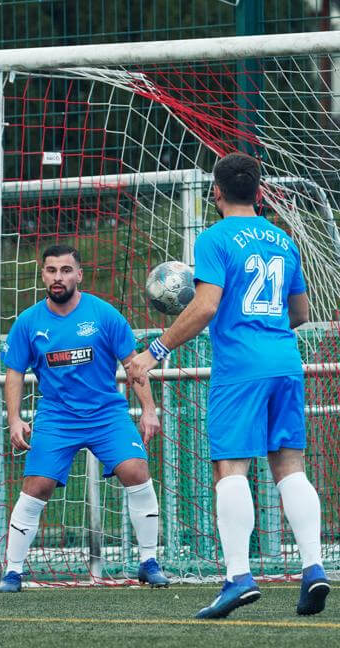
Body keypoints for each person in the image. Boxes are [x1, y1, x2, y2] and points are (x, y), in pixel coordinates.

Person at [126, 152, 329, 619]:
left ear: (215, 192)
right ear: (258, 192)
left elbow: (205, 306)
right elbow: (300, 312)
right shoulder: (282, 238)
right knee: (290, 467)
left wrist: (154, 351)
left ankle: (238, 577)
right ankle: (313, 567)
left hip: (240, 367)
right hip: (285, 362)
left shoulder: (214, 238)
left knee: (230, 469)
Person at [0, 244, 169, 593]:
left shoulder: (104, 315)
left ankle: (149, 562)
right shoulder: (28, 322)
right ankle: (13, 572)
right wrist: (14, 419)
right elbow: (14, 372)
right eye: (51, 270)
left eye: (65, 270)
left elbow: (133, 365)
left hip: (107, 413)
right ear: (43, 275)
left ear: (79, 275)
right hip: (57, 416)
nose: (57, 277)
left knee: (136, 470)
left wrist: (149, 411)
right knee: (36, 486)